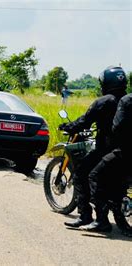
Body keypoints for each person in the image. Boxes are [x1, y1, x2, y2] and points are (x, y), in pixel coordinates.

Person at [61, 66, 127, 229]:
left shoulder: (104, 101)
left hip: (106, 148)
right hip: (125, 150)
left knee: (82, 173)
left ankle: (87, 216)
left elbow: (85, 121)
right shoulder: (128, 100)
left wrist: (69, 126)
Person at [81, 90, 131, 233]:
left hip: (125, 151)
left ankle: (101, 220)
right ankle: (122, 223)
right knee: (119, 183)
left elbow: (117, 127)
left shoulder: (126, 101)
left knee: (94, 176)